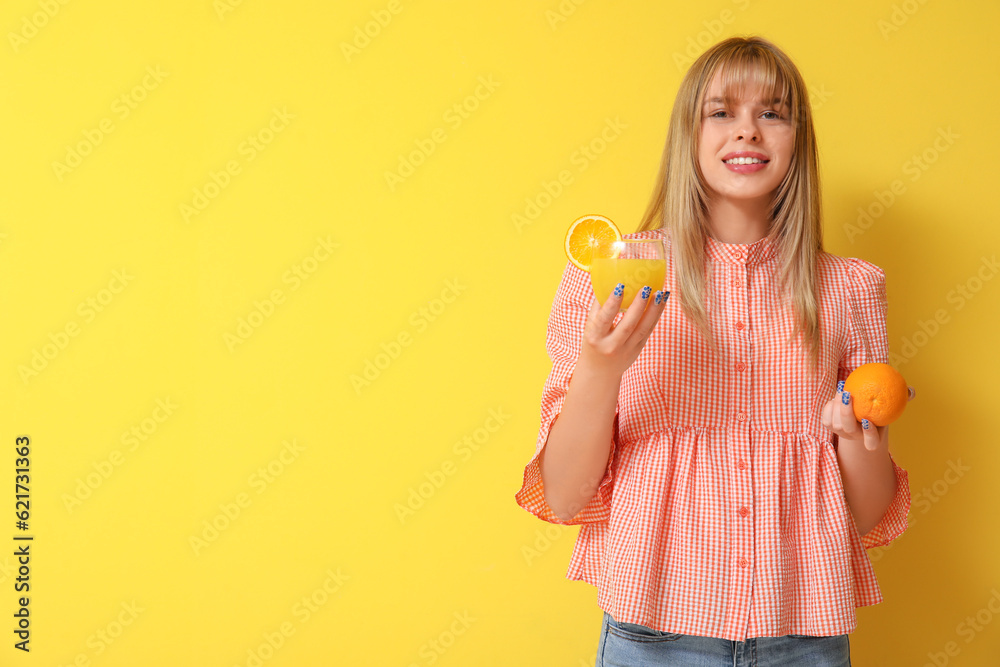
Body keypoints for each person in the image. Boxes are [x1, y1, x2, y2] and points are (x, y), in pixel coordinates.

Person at [514, 35, 913, 666]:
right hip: (656, 633)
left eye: (771, 112)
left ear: (798, 141)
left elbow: (862, 518)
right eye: (721, 112)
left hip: (803, 638)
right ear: (687, 137)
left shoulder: (852, 288)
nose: (747, 131)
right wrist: (601, 368)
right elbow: (565, 496)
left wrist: (863, 441)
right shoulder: (619, 276)